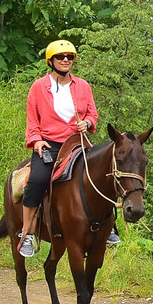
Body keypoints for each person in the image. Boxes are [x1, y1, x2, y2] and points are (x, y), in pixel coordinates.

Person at [17, 39, 100, 258]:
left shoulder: (83, 86)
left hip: (77, 143)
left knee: (103, 174)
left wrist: (88, 123)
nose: (65, 60)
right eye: (61, 57)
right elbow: (32, 120)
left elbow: (92, 114)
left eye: (69, 57)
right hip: (50, 144)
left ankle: (108, 228)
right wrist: (36, 140)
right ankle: (27, 233)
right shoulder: (38, 87)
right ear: (51, 61)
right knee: (36, 181)